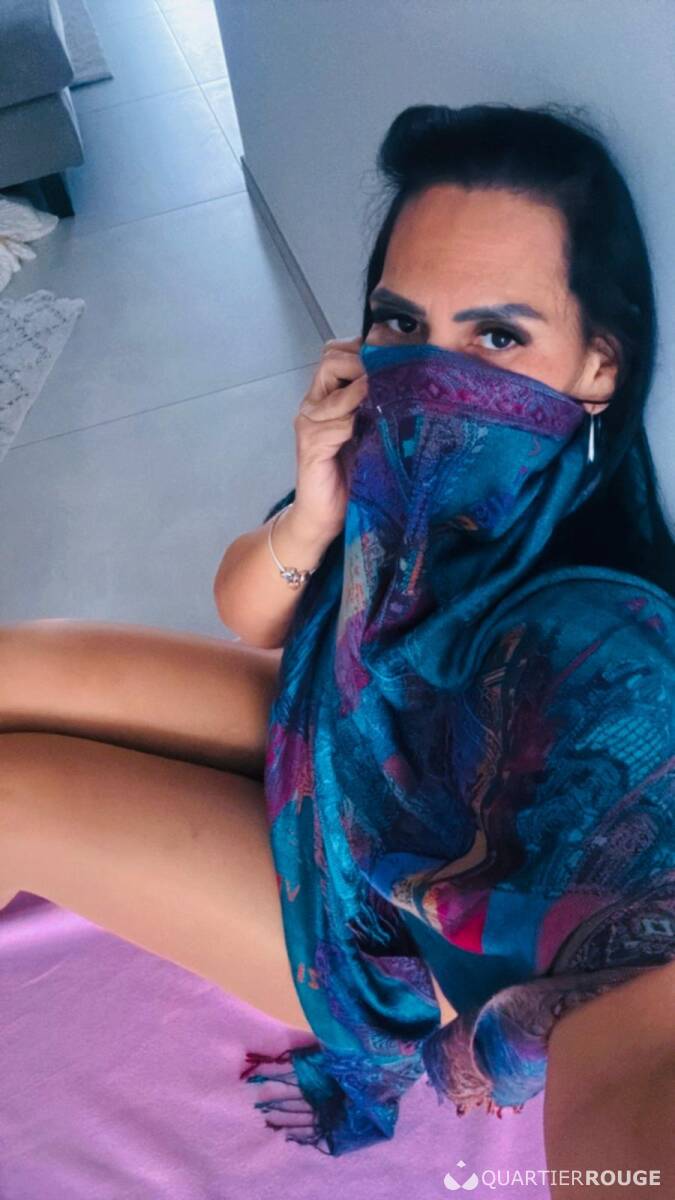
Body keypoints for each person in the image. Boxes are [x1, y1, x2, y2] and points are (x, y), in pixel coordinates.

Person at [2, 101, 674, 1179]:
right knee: (14, 665)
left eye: (498, 337)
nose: (434, 372)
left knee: (10, 798)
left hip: (372, 931)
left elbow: (643, 968)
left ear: (600, 364)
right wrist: (314, 511)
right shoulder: (388, 454)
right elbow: (251, 615)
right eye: (403, 322)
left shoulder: (602, 641)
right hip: (325, 738)